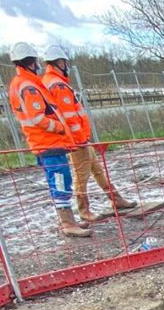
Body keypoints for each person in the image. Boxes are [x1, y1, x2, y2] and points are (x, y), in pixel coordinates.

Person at [41, 46, 137, 222]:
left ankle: (117, 200)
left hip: (79, 138)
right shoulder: (57, 85)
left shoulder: (52, 82)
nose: (66, 65)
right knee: (81, 175)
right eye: (64, 62)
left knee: (97, 170)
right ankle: (84, 210)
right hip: (75, 140)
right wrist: (78, 140)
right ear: (59, 63)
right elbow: (69, 116)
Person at [7, 42, 90, 238]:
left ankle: (69, 219)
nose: (37, 65)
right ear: (29, 61)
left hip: (49, 143)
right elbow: (37, 118)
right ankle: (68, 223)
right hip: (48, 142)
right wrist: (61, 128)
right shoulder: (28, 86)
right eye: (35, 61)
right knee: (60, 181)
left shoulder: (28, 83)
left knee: (63, 179)